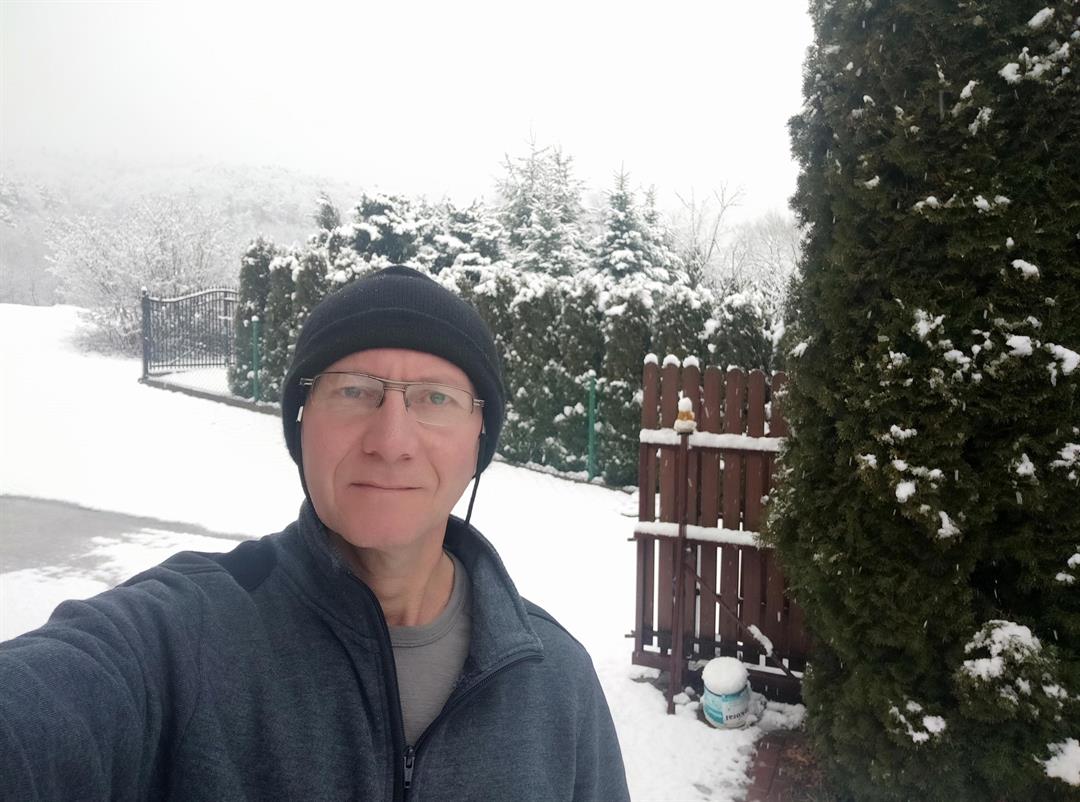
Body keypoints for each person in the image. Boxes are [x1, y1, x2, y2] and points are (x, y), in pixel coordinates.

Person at [0, 265, 630, 801]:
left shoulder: (555, 678)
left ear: (479, 442)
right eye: (353, 391)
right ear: (300, 428)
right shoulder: (182, 636)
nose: (391, 442)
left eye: (435, 398)